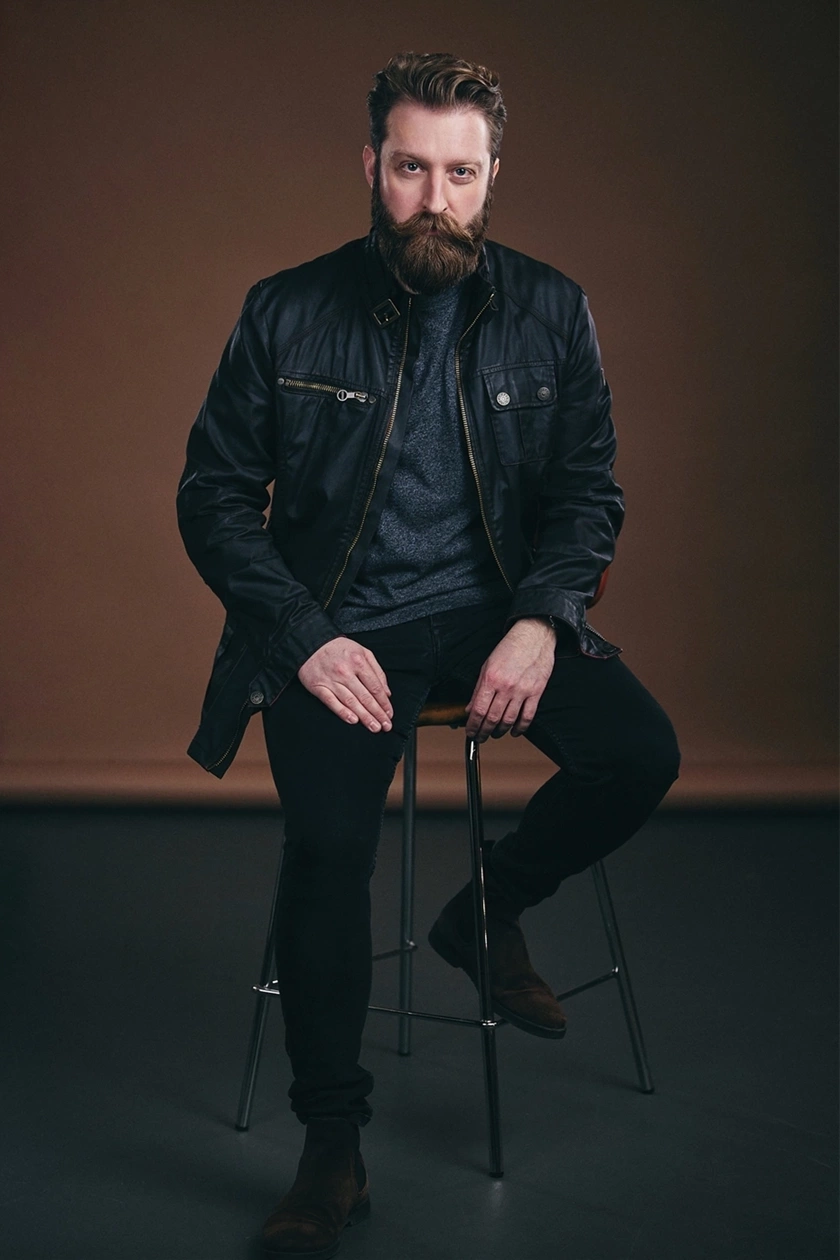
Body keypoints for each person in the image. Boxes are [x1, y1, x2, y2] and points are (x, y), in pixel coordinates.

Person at [177, 50, 681, 1259]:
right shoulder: (286, 308)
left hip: (495, 615)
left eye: (461, 173)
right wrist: (302, 638)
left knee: (640, 755)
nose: (434, 199)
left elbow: (588, 494)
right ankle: (331, 1146)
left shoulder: (553, 310)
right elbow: (212, 498)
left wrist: (541, 619)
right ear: (371, 167)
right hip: (341, 627)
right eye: (411, 169)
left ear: (493, 175)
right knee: (327, 852)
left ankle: (484, 913)